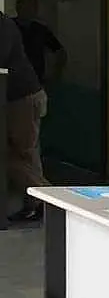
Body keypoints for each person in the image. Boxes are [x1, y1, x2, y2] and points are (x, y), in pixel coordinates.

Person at [1, 11, 50, 222]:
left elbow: (2, 59)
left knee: (19, 155)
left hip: (23, 98)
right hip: (18, 99)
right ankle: (37, 204)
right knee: (23, 155)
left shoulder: (4, 25)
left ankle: (49, 201)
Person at [14, 0, 68, 87]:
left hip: (35, 80)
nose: (29, 9)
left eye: (32, 6)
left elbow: (60, 51)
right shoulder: (7, 27)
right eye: (25, 6)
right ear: (18, 8)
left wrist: (56, 75)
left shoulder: (41, 29)